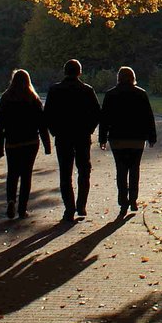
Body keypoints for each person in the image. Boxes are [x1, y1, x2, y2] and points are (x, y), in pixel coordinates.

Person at [44, 59, 101, 222]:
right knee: (84, 170)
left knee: (65, 172)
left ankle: (69, 208)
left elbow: (48, 114)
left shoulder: (55, 90)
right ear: (79, 72)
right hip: (82, 136)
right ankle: (81, 204)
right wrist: (89, 129)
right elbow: (97, 113)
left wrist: (54, 131)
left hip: (63, 136)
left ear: (65, 71)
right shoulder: (86, 90)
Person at [99, 66, 158, 218]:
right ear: (133, 78)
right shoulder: (141, 94)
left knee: (121, 169)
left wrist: (102, 138)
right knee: (134, 168)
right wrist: (152, 137)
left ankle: (122, 199)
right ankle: (133, 199)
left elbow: (104, 119)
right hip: (137, 138)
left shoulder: (111, 94)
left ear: (118, 77)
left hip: (117, 138)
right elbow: (148, 117)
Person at [0, 69, 49, 219]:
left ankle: (11, 200)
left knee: (12, 173)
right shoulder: (33, 98)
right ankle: (22, 209)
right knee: (26, 175)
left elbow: (0, 124)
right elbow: (42, 124)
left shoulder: (6, 98)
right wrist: (47, 145)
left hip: (12, 142)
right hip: (30, 141)